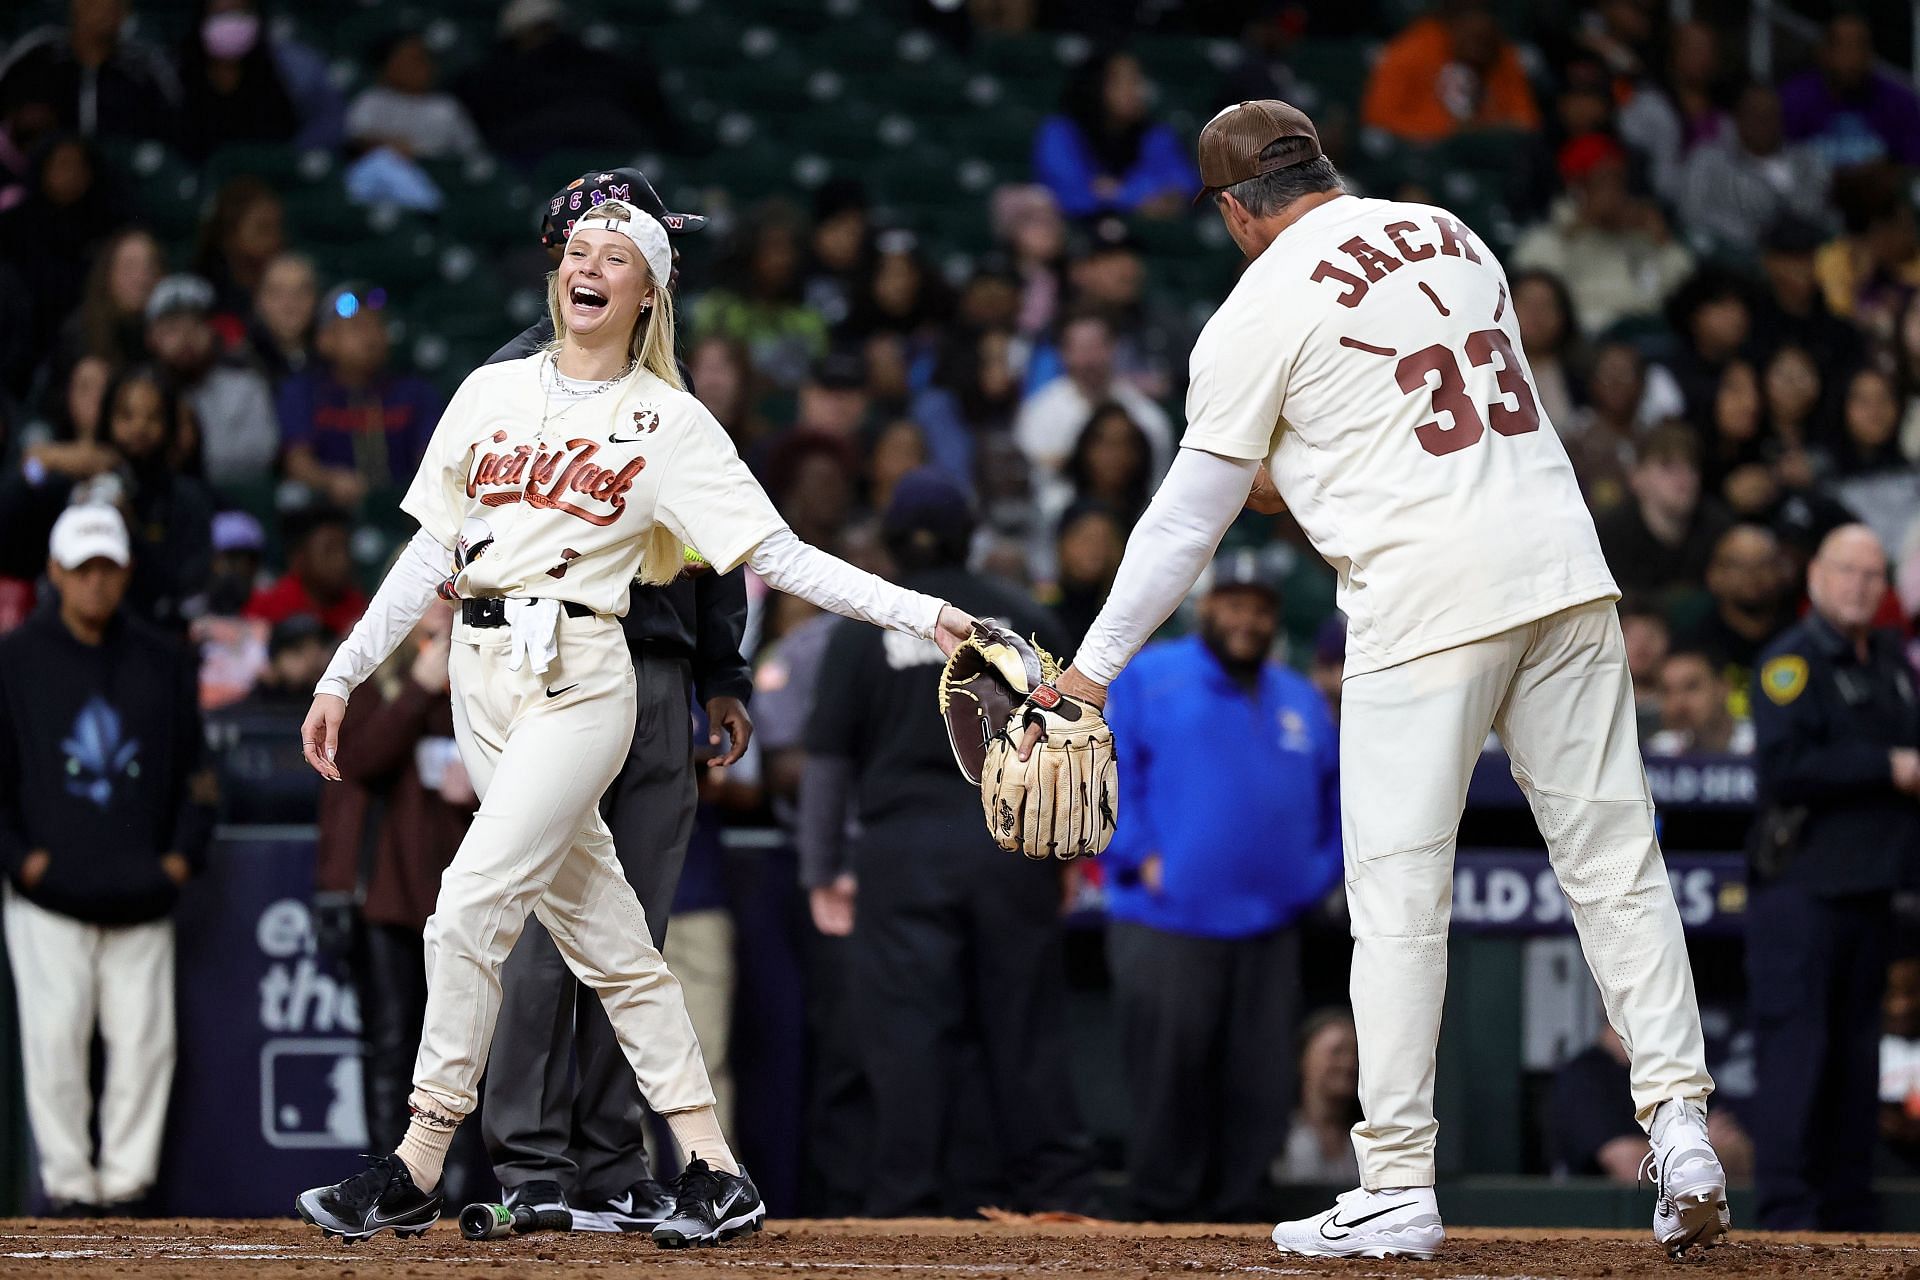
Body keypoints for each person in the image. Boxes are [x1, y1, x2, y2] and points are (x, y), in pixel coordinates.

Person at [1023, 100, 1724, 1260]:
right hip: (1562, 563)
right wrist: (1288, 464)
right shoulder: (1451, 230)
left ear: (1237, 210)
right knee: (1616, 863)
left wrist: (1092, 672)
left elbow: (1188, 518)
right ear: (1326, 170)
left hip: (1423, 597)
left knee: (1399, 896)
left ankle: (1397, 1178)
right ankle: (1685, 1127)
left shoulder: (1256, 305)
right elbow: (1407, 419)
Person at [291, 194, 977, 1245]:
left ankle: (420, 1154)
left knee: (468, 902)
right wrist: (343, 672)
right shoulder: (489, 390)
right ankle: (715, 1162)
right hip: (479, 669)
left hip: (582, 669)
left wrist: (919, 609)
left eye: (616, 255)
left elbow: (776, 555)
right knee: (612, 940)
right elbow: (430, 551)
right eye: (578, 251)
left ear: (647, 289)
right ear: (555, 274)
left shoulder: (670, 416)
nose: (589, 264)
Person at [478, 169, 759, 1237]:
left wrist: (723, 669)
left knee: (631, 937)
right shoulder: (510, 385)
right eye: (617, 242)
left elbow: (716, 536)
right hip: (555, 668)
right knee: (552, 926)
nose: (640, 263)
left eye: (647, 250)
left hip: (665, 674)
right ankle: (530, 1157)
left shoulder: (667, 392)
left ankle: (609, 1158)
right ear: (563, 255)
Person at [798, 469, 1091, 1217]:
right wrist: (1065, 858)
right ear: (973, 535)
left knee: (907, 1037)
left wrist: (822, 868)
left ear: (890, 543)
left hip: (900, 854)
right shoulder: (1025, 620)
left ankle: (909, 1207)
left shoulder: (870, 627)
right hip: (1009, 846)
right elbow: (1067, 745)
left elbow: (829, 757)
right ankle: (1051, 1195)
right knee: (1023, 1028)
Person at [1102, 550, 1339, 1221]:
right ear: (1205, 608)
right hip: (1166, 921)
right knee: (1170, 1085)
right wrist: (1140, 853)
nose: (1248, 620)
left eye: (1261, 609)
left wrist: (1315, 877)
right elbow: (1104, 769)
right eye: (1235, 605)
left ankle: (1239, 1227)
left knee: (1259, 1087)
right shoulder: (1152, 676)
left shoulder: (1299, 695)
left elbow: (1338, 795)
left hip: (1270, 925)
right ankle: (1157, 1229)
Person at [0, 505, 213, 1214]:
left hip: (142, 891)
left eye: (108, 568)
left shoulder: (162, 657)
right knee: (54, 1043)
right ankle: (67, 1186)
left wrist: (180, 861)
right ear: (55, 572)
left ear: (125, 573)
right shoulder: (12, 660)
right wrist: (21, 864)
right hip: (46, 894)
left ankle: (124, 1184)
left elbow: (199, 776)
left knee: (146, 1047)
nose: (96, 581)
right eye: (83, 568)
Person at [1747, 524, 1920, 1230]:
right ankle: (1789, 1212)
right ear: (1816, 575)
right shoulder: (1790, 661)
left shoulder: (1889, 660)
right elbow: (1784, 768)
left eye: (1872, 575)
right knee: (1798, 1051)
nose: (1858, 585)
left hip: (1873, 889)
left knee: (1856, 1055)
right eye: (1846, 571)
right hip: (1804, 889)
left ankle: (1849, 1211)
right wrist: (1887, 767)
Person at [1511, 133, 1693, 337]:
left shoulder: (1640, 235)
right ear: (1577, 189)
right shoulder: (1549, 238)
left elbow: (1683, 285)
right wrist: (1577, 229)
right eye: (1601, 183)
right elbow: (1531, 292)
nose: (1612, 193)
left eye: (1618, 183)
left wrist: (1662, 240)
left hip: (1643, 335)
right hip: (1585, 339)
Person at [278, 282, 443, 506]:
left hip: (405, 511)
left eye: (377, 325)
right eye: (356, 327)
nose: (370, 337)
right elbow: (298, 462)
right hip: (332, 510)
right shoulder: (305, 391)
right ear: (324, 340)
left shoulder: (415, 392)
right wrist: (330, 480)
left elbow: (432, 463)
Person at [143, 273, 281, 489]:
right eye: (172, 329)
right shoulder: (138, 389)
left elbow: (262, 454)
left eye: (195, 326)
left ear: (213, 332)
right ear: (151, 337)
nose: (185, 339)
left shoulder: (246, 386)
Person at [1032, 49, 1199, 219]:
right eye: (1123, 81)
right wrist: (1140, 196)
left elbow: (1183, 185)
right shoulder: (1060, 131)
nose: (1137, 91)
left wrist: (1119, 192)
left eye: (1138, 81)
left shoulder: (1155, 135)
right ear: (1096, 85)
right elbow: (1067, 194)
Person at [1676, 84, 1829, 254]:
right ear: (1737, 118)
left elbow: (1815, 212)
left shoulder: (1806, 160)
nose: (1762, 121)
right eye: (1753, 113)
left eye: (1769, 114)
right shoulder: (1708, 160)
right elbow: (1691, 215)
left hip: (1803, 257)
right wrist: (1754, 238)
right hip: (1732, 262)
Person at [0, 0, 182, 143]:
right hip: (41, 178)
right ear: (75, 6)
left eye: (114, 4)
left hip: (125, 178)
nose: (105, 10)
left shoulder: (144, 66)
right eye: (95, 3)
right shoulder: (40, 54)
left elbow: (174, 125)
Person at [1361, 0, 1540, 143]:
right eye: (1468, 15)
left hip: (1491, 154)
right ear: (1449, 21)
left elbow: (1527, 121)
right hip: (1427, 155)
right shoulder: (1413, 50)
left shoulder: (1499, 52)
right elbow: (1379, 117)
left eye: (1484, 13)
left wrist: (1487, 128)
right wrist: (1447, 129)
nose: (1479, 24)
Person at [1592, 426, 1732, 605]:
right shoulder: (1608, 535)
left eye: (1691, 466)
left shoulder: (1719, 528)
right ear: (1636, 477)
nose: (1684, 477)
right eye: (1668, 466)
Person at [1675, 523, 1792, 719]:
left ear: (1783, 571)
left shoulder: (1802, 641)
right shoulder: (1694, 645)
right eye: (1738, 565)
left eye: (1763, 564)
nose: (1752, 575)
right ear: (1713, 574)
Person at [1779, 13, 1920, 170]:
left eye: (1860, 46)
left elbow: (1912, 169)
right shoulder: (1794, 99)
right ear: (1823, 53)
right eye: (1843, 47)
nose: (1853, 58)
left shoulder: (1900, 102)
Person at [345, 32, 483, 162]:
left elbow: (471, 152)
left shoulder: (446, 107)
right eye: (410, 61)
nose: (419, 67)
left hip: (437, 177)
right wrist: (384, 146)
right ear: (388, 67)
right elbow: (352, 139)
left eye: (422, 60)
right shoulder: (372, 100)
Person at [244, 505, 368, 635]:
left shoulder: (359, 607)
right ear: (298, 558)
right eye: (330, 552)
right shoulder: (266, 608)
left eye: (346, 549)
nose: (342, 560)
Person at [1274, 1010, 1362, 1185]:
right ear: (1303, 1058)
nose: (1349, 1063)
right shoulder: (1275, 1139)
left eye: (1356, 1054)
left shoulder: (1368, 1140)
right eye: (1337, 1052)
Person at [1646, 649, 1753, 757]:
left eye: (1691, 687)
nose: (1678, 703)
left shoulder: (1761, 744)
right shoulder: (1657, 753)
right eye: (1666, 691)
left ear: (1724, 687)